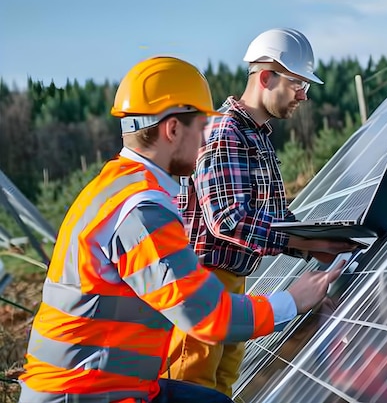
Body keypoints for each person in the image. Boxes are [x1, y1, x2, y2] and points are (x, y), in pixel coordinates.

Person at [18, 55, 346, 403]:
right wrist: (292, 302)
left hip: (110, 386)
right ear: (173, 129)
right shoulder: (140, 211)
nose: (207, 139)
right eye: (202, 127)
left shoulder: (118, 187)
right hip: (84, 394)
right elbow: (207, 316)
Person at [163, 28, 358, 396]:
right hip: (202, 282)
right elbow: (228, 219)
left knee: (219, 388)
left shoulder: (256, 135)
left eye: (307, 86)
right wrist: (298, 239)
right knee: (192, 388)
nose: (303, 95)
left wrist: (311, 245)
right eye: (298, 83)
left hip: (231, 280)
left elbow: (270, 217)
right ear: (266, 77)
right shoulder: (224, 131)